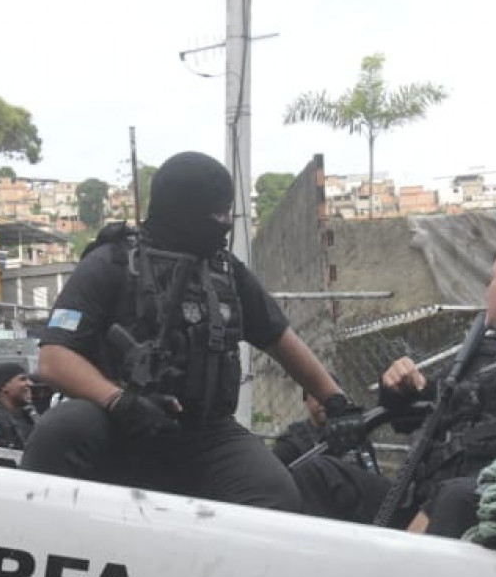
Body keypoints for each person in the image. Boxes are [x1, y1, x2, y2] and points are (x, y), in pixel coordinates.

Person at [20, 151, 363, 511]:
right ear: (183, 211)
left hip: (204, 433)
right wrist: (119, 401)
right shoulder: (113, 262)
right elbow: (54, 358)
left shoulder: (226, 272)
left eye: (228, 212)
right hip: (117, 421)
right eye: (216, 214)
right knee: (61, 430)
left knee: (274, 494)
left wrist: (336, 401)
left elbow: (279, 339)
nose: (225, 223)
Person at [291, 234, 496, 532]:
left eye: (492, 280)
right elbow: (423, 409)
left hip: (490, 510)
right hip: (423, 501)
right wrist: (398, 387)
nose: (487, 291)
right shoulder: (486, 354)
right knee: (317, 474)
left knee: (454, 499)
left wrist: (443, 501)